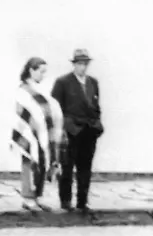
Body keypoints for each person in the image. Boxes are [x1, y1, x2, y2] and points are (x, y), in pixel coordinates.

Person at [51, 49, 104, 213]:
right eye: (79, 63)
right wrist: (63, 128)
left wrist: (97, 124)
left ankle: (82, 201)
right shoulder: (63, 82)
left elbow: (96, 106)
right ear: (74, 64)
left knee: (85, 167)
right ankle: (65, 201)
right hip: (71, 131)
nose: (83, 67)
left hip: (89, 131)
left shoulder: (93, 82)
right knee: (67, 167)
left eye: (85, 64)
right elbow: (55, 108)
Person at [12, 57, 64, 212]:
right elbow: (26, 112)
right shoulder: (23, 90)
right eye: (41, 72)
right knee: (29, 162)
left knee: (41, 163)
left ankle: (36, 196)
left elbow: (47, 108)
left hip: (40, 133)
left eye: (45, 72)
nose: (43, 75)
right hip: (28, 132)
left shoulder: (37, 89)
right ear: (31, 70)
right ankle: (28, 198)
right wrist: (34, 128)